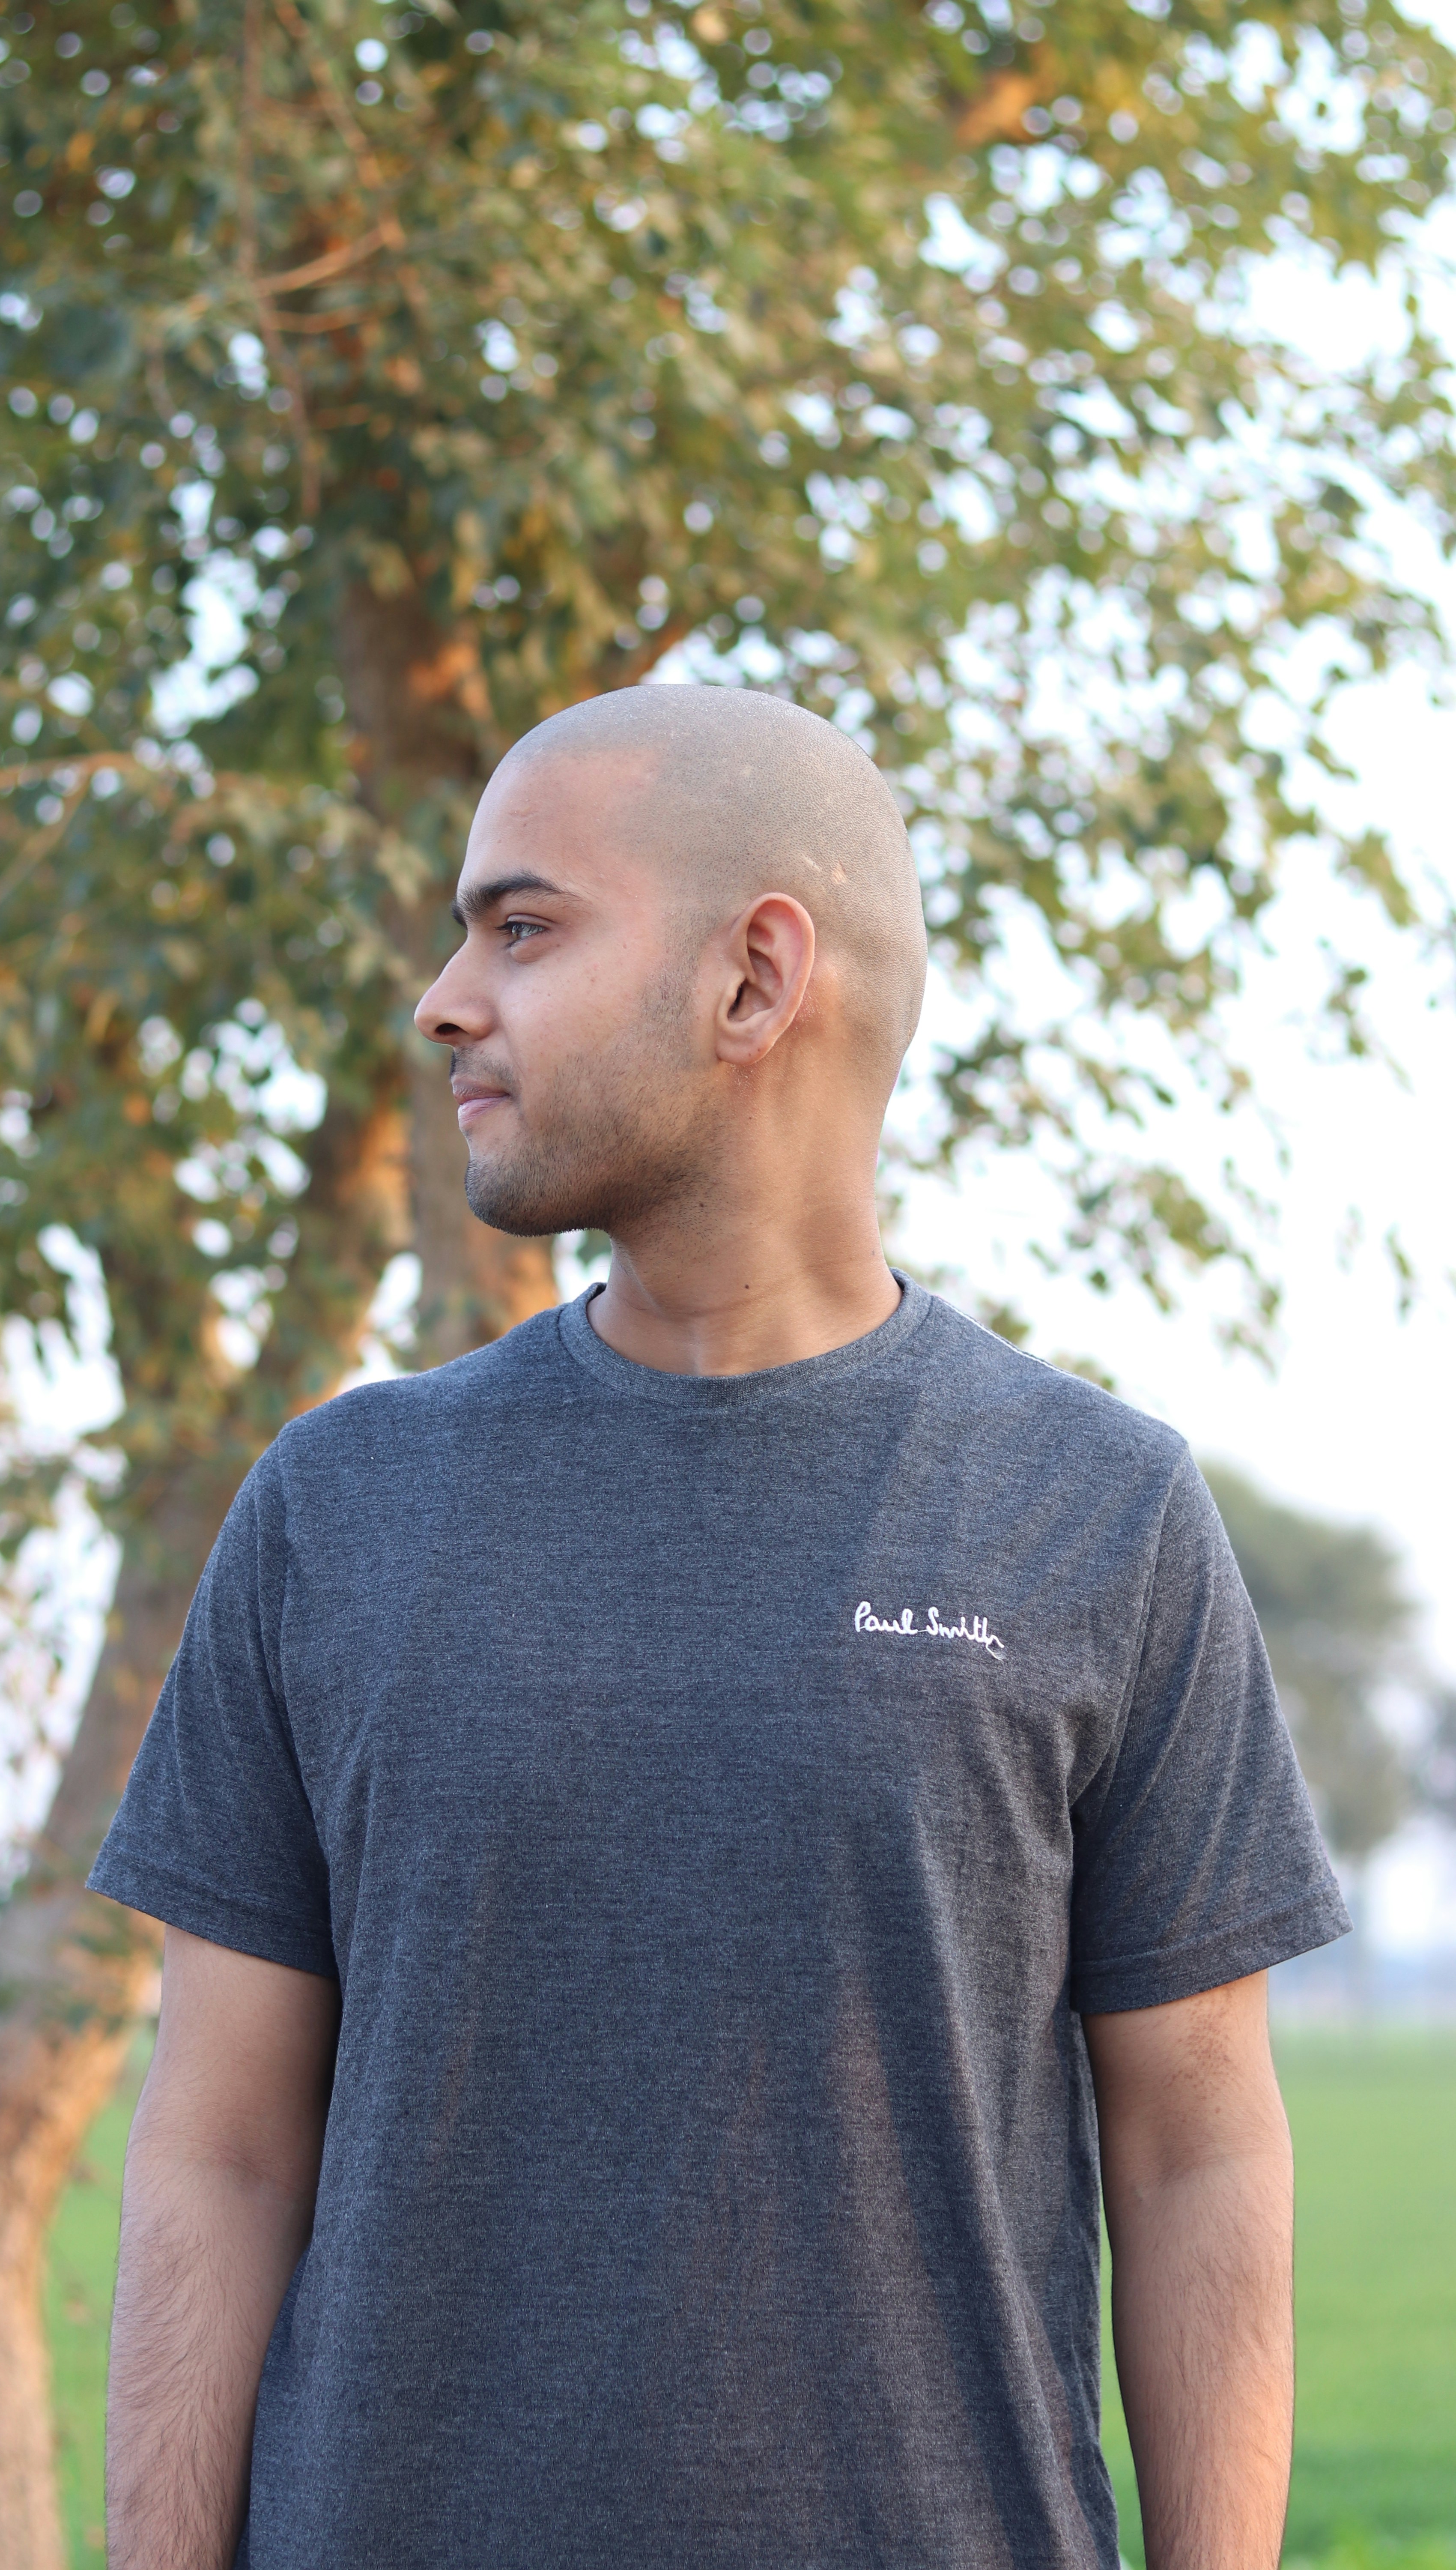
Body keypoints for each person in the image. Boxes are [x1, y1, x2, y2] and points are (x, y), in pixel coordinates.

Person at [92, 684, 1348, 2570]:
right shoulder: (332, 1510)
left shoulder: (1101, 1513)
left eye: (520, 927)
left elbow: (1197, 2153)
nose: (445, 997)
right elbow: (218, 2153)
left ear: (757, 980)